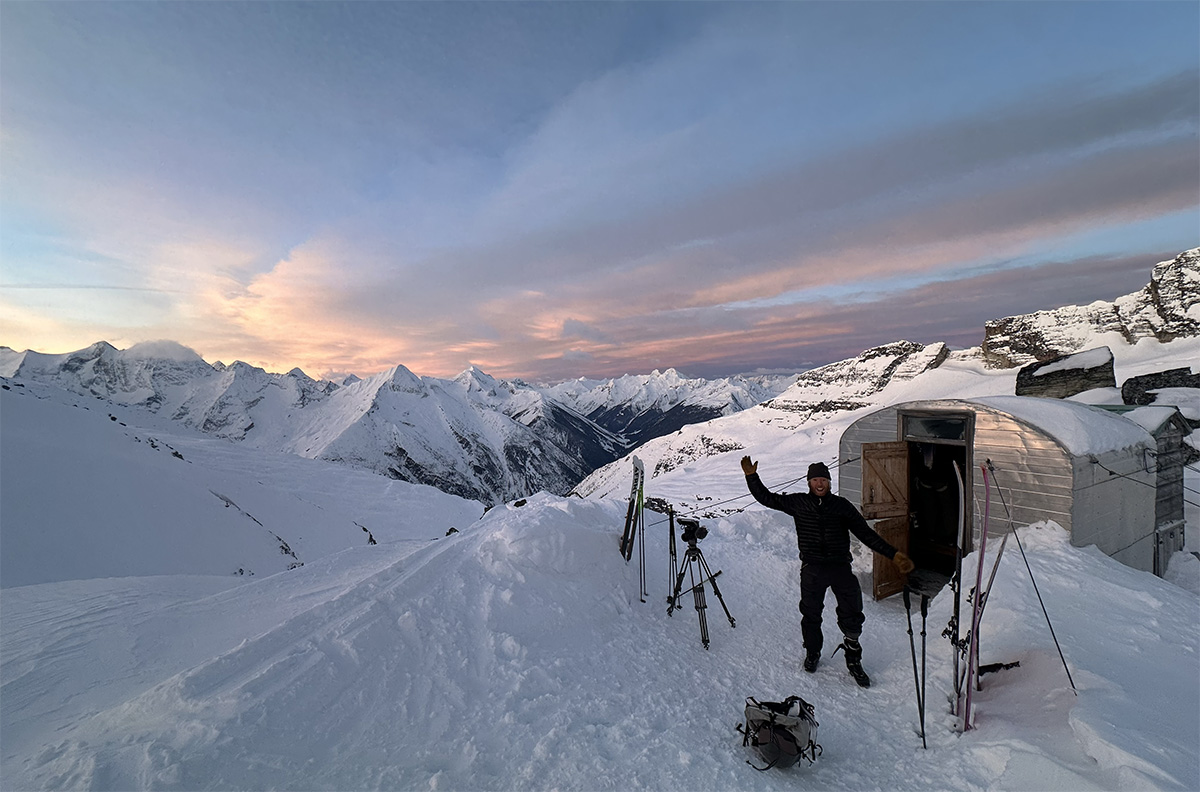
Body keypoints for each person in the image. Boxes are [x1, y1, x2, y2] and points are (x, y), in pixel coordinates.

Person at [741, 455, 914, 687]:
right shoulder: (798, 503)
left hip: (840, 567)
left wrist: (893, 555)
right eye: (815, 480)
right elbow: (766, 498)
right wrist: (752, 477)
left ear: (829, 482)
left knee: (852, 613)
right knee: (811, 614)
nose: (819, 484)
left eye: (823, 479)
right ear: (808, 482)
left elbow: (866, 534)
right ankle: (812, 653)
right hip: (812, 568)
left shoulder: (841, 506)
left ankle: (853, 659)